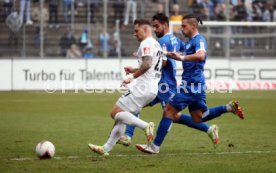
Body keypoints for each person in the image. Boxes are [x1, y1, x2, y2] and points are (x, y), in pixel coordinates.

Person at [135, 14, 244, 154]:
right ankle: (228, 107)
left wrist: (180, 57)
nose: (181, 29)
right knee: (199, 117)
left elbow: (201, 55)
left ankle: (155, 146)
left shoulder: (199, 40)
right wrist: (166, 53)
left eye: (184, 26)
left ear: (193, 26)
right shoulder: (188, 43)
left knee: (168, 111)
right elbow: (175, 53)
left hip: (191, 85)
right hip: (195, 85)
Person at [88, 19, 163, 156]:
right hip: (152, 89)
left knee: (115, 112)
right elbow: (152, 66)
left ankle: (146, 126)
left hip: (142, 87)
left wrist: (132, 77)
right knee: (122, 117)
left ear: (146, 29)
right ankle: (106, 148)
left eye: (136, 30)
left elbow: (146, 65)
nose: (134, 34)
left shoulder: (146, 43)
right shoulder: (156, 44)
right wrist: (135, 69)